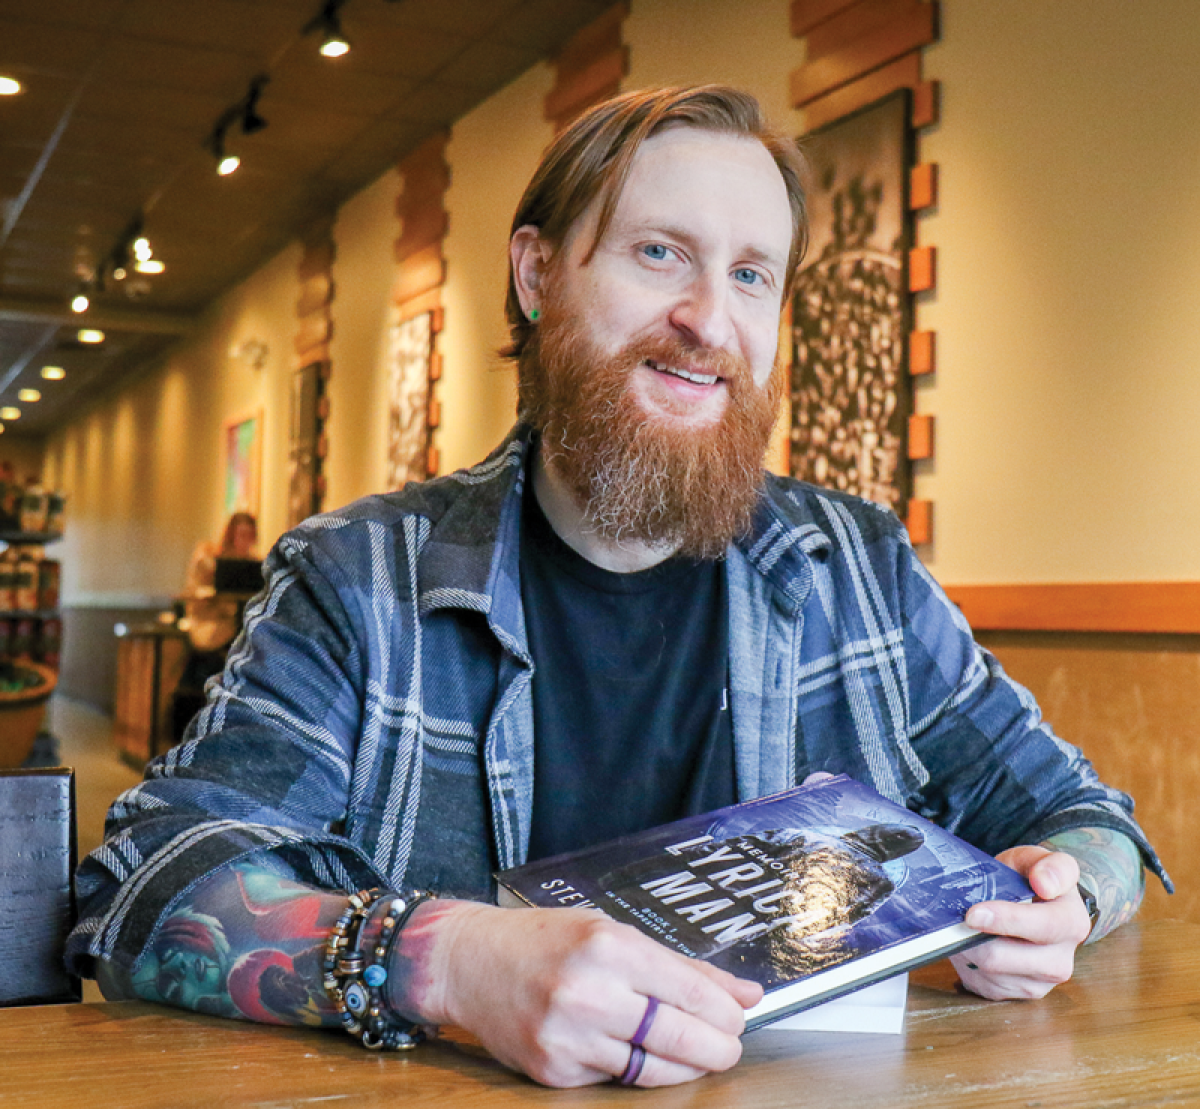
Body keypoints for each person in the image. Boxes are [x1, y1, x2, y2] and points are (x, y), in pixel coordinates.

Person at [69, 86, 1166, 1089]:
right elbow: (145, 887)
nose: (708, 318)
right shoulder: (362, 581)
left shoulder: (858, 566)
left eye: (751, 274)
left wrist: (1070, 892)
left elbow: (1088, 819)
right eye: (658, 253)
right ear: (538, 275)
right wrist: (444, 960)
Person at [171, 511, 258, 738]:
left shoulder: (255, 565)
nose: (245, 540)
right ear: (231, 535)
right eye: (241, 534)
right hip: (213, 633)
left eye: (250, 535)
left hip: (239, 634)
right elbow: (197, 597)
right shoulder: (210, 560)